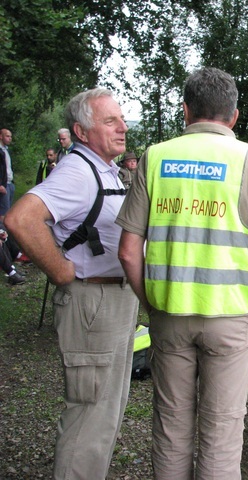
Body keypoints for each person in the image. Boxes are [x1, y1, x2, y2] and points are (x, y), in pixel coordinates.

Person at [117, 67, 248, 479]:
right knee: (222, 432)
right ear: (233, 115)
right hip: (232, 320)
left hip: (169, 316)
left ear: (185, 110)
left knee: (172, 426)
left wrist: (153, 304)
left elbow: (127, 252)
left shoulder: (155, 157)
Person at [4, 88, 139, 479]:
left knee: (105, 410)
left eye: (121, 118)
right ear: (81, 131)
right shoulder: (78, 171)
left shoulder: (100, 168)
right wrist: (62, 271)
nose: (122, 127)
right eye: (110, 121)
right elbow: (20, 219)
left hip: (111, 300)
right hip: (92, 301)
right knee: (90, 416)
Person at [0, 129, 15, 219]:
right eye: (7, 136)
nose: (10, 139)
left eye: (10, 136)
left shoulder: (6, 150)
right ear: (1, 136)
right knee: (3, 211)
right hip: (3, 185)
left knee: (8, 210)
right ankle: (2, 231)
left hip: (10, 182)